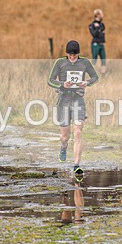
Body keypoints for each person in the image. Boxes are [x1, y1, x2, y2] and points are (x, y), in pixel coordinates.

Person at [47, 40, 99, 180]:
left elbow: (95, 77)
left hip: (78, 100)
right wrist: (62, 84)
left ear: (78, 54)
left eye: (74, 55)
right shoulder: (59, 62)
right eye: (70, 54)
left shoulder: (85, 63)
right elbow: (50, 80)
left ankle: (76, 165)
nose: (72, 57)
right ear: (67, 54)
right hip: (63, 101)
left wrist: (87, 82)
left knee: (78, 131)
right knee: (65, 137)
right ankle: (63, 147)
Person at [89, 9, 107, 74]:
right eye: (101, 14)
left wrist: (99, 27)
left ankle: (103, 74)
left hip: (102, 44)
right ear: (98, 15)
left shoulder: (102, 25)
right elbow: (94, 34)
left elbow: (102, 29)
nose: (103, 15)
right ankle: (91, 73)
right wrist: (97, 28)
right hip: (95, 45)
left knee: (103, 60)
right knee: (94, 59)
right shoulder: (92, 25)